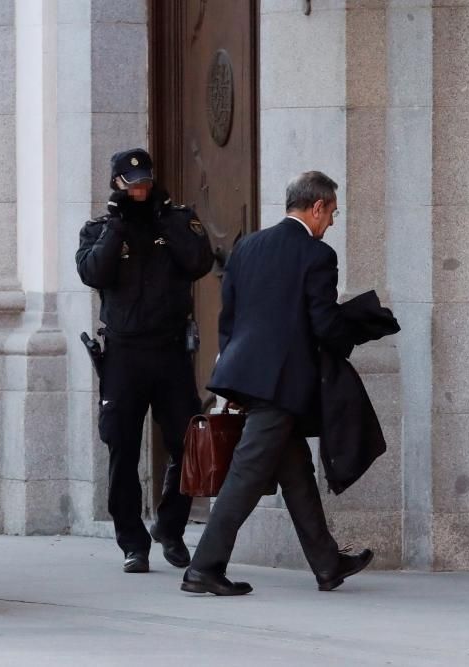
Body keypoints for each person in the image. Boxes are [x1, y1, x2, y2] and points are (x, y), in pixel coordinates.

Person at [181, 171, 374, 596]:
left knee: (296, 470)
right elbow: (324, 324)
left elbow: (228, 317)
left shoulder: (248, 245)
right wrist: (357, 329)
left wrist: (233, 372)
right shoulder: (316, 255)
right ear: (318, 206)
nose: (332, 223)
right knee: (245, 475)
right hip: (282, 384)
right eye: (333, 213)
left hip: (247, 376)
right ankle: (203, 568)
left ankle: (327, 564)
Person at [76, 148, 214, 573]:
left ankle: (170, 528)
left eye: (145, 181)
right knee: (123, 447)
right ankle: (132, 543)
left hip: (170, 351)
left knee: (186, 443)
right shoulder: (99, 229)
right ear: (116, 183)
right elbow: (93, 274)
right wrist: (118, 225)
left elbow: (199, 262)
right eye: (132, 182)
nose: (140, 188)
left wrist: (164, 221)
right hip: (124, 355)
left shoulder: (176, 219)